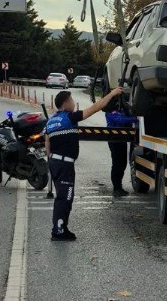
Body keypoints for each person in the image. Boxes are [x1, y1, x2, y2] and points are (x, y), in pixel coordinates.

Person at [46, 88, 123, 241]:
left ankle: (60, 227)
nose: (74, 103)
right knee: (65, 197)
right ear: (66, 103)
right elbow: (96, 107)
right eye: (72, 100)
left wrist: (52, 161)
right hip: (64, 164)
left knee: (61, 196)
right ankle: (59, 230)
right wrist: (113, 94)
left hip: (55, 162)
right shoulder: (69, 118)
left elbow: (47, 143)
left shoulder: (51, 120)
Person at [105, 109, 138, 197]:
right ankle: (116, 188)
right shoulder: (110, 111)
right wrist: (135, 119)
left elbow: (126, 120)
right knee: (117, 164)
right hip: (114, 140)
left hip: (122, 140)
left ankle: (119, 186)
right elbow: (120, 120)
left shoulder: (123, 110)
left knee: (123, 163)